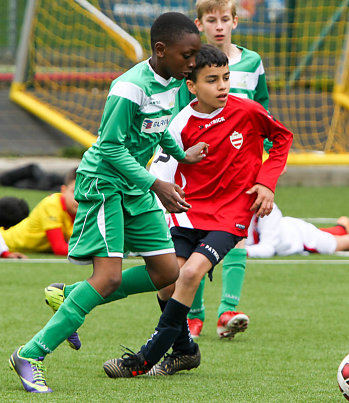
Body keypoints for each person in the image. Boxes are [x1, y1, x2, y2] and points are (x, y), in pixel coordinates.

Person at [9, 12, 207, 394]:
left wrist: (181, 155)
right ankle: (30, 354)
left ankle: (70, 297)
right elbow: (111, 146)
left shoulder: (173, 82)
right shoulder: (128, 87)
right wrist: (157, 184)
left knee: (167, 272)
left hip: (135, 186)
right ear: (161, 50)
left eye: (196, 55)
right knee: (108, 277)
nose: (193, 63)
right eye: (188, 55)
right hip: (104, 185)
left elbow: (160, 125)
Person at [102, 44, 292, 378]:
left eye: (226, 78)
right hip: (188, 213)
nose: (222, 86)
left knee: (190, 274)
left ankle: (145, 359)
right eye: (212, 80)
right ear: (192, 86)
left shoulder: (247, 111)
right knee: (166, 281)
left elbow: (281, 139)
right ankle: (186, 350)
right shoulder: (180, 123)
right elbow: (160, 169)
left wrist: (266, 182)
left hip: (232, 213)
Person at [178, 0, 271, 340]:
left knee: (238, 234)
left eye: (224, 19)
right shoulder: (190, 66)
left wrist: (267, 170)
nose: (219, 26)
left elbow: (263, 112)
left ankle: (227, 310)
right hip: (201, 169)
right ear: (199, 24)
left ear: (235, 21)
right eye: (211, 20)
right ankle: (194, 315)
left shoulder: (252, 62)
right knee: (197, 237)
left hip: (242, 170)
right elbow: (182, 114)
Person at [245, 203, 349, 258]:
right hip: (290, 229)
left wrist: (240, 252)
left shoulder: (266, 208)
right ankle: (342, 227)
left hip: (301, 239)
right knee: (322, 234)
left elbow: (268, 249)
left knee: (340, 243)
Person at [0, 169, 77, 259]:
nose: (79, 198)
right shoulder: (52, 204)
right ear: (63, 190)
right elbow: (59, 249)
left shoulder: (88, 209)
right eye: (74, 191)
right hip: (5, 241)